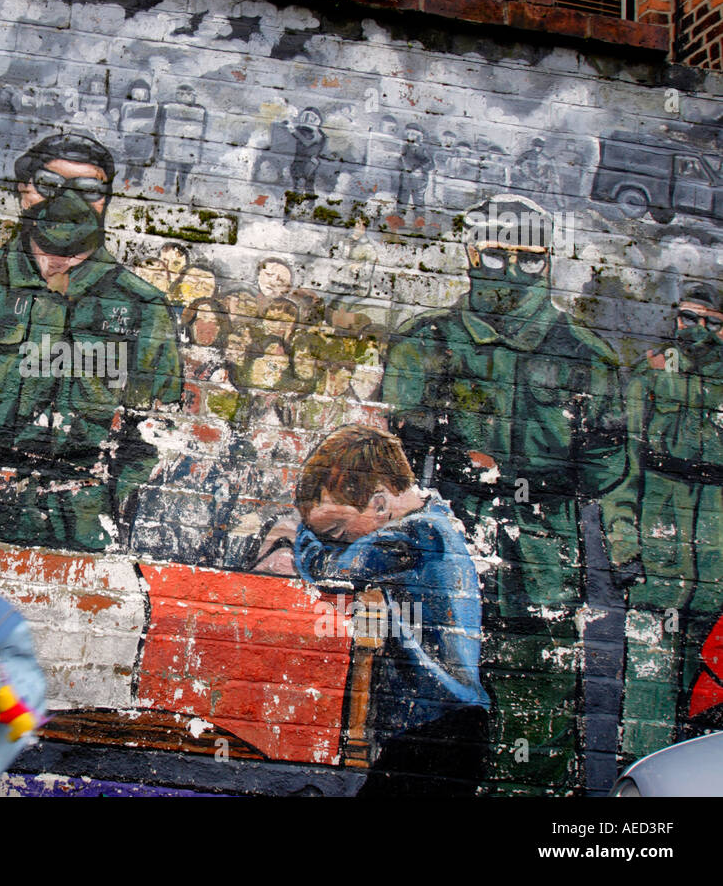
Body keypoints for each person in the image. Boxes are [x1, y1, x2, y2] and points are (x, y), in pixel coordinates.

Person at [381, 195, 634, 793]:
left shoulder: (584, 355)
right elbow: (392, 447)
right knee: (427, 704)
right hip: (444, 551)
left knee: (533, 714)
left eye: (528, 258)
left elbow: (607, 462)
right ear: (471, 254)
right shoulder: (428, 341)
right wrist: (449, 465)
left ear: (548, 262)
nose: (510, 271)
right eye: (495, 254)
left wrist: (528, 481)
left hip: (540, 561)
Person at [0, 131, 182, 552]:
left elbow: (155, 430)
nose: (67, 203)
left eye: (88, 190)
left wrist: (106, 502)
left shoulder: (140, 305)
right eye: (49, 186)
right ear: (23, 190)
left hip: (77, 524)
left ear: (105, 201)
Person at [285, 425, 490, 795]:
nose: (335, 541)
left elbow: (331, 570)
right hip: (436, 724)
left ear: (379, 504)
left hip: (440, 728)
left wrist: (300, 535)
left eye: (336, 528)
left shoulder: (415, 535)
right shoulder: (433, 524)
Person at [608, 280, 723, 760]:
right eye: (687, 319)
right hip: (660, 559)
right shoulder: (650, 376)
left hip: (717, 567)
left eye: (711, 323)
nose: (697, 332)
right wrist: (623, 546)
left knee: (711, 707)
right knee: (648, 697)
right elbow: (623, 469)